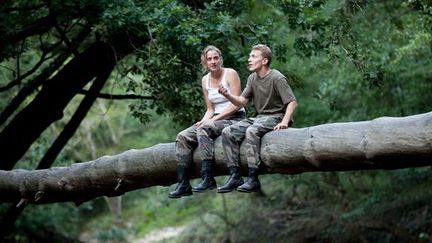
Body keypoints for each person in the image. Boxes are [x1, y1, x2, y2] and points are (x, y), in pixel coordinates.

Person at [217, 44, 298, 193]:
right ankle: (235, 175)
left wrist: (285, 122)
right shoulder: (252, 78)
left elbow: (292, 102)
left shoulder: (277, 78)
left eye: (253, 57)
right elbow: (241, 101)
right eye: (249, 56)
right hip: (259, 117)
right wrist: (227, 95)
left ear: (264, 61)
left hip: (276, 116)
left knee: (252, 131)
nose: (249, 59)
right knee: (228, 132)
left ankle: (253, 178)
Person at [169, 45, 246, 198]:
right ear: (205, 62)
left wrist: (213, 120)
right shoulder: (205, 80)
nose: (213, 62)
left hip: (235, 118)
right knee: (183, 136)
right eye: (209, 59)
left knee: (204, 129)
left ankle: (208, 177)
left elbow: (237, 103)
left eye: (216, 58)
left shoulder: (230, 74)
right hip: (214, 118)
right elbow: (210, 108)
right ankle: (183, 184)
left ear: (220, 59)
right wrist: (203, 120)